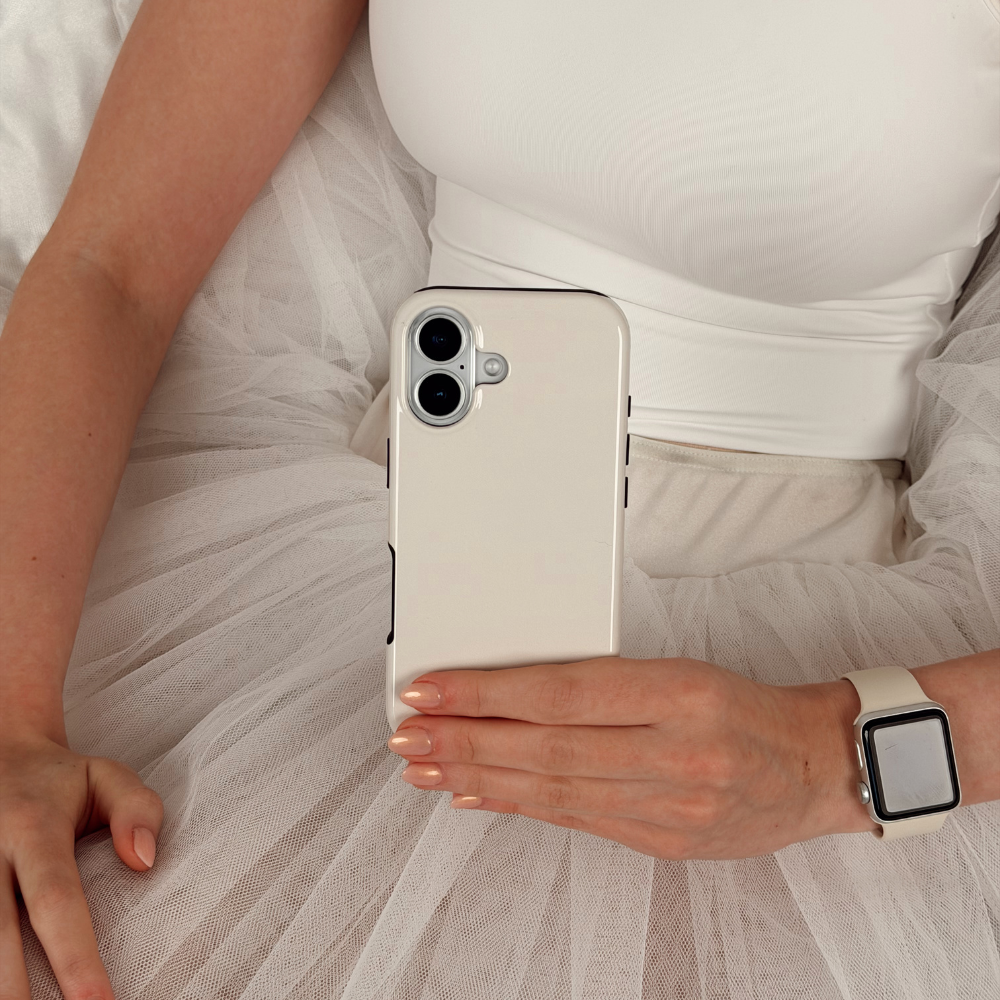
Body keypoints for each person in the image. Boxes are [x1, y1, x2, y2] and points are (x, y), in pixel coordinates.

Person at [1, 0, 998, 997]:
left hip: (816, 671)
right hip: (380, 565)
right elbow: (110, 266)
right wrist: (11, 718)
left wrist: (829, 758)